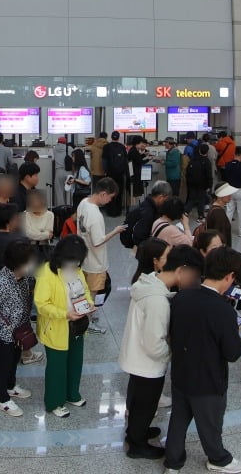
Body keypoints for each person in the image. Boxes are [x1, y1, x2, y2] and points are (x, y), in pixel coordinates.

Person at [162, 247, 241, 474]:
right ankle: (218, 459)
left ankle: (173, 462)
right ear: (229, 276)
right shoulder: (223, 311)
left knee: (178, 420)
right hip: (208, 380)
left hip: (181, 372)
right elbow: (232, 353)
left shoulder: (181, 297)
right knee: (210, 424)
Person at [120, 242, 203, 460]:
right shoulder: (157, 301)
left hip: (136, 358)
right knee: (145, 405)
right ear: (180, 270)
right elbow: (154, 344)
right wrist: (172, 353)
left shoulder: (149, 282)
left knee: (139, 401)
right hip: (148, 363)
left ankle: (135, 432)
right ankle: (137, 445)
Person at [34, 235, 96, 418]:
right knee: (57, 367)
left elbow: (84, 290)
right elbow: (41, 303)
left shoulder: (76, 270)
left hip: (78, 324)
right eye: (73, 260)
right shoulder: (47, 272)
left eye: (79, 260)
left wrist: (89, 303)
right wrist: (65, 314)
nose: (76, 264)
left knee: (75, 361)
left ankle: (72, 393)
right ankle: (55, 401)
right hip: (57, 327)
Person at [0, 240, 38, 418]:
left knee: (14, 359)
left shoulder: (26, 277)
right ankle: (3, 398)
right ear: (18, 264)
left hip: (20, 329)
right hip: (4, 332)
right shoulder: (2, 283)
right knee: (3, 365)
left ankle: (11, 386)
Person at [76, 178, 126, 334]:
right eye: (110, 197)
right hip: (96, 262)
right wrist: (115, 231)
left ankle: (87, 316)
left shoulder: (83, 202)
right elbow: (98, 242)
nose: (110, 201)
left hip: (84, 257)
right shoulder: (96, 215)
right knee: (93, 292)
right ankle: (87, 322)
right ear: (103, 194)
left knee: (85, 291)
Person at [221, 147, 241, 239]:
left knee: (229, 210)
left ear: (234, 154)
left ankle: (225, 230)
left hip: (229, 190)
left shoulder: (228, 165)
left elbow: (224, 177)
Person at [132, 181, 172, 247]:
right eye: (165, 200)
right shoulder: (148, 212)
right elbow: (139, 237)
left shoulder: (151, 205)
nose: (166, 203)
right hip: (147, 249)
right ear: (160, 197)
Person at [185, 143, 214, 218]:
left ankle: (185, 212)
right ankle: (201, 215)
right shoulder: (207, 162)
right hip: (202, 184)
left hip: (192, 183)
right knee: (201, 199)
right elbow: (209, 175)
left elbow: (187, 171)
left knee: (191, 199)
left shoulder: (193, 159)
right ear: (207, 152)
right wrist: (209, 185)